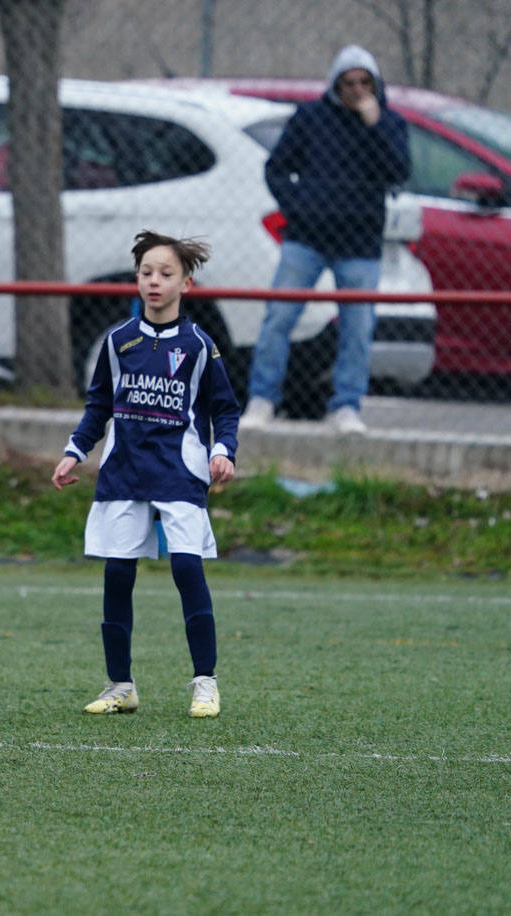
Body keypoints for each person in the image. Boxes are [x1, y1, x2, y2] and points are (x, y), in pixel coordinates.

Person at [52, 231, 239, 718]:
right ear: (136, 280)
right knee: (117, 574)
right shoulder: (118, 341)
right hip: (124, 471)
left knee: (186, 567)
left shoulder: (199, 345)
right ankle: (121, 686)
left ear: (186, 283)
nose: (155, 282)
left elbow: (225, 408)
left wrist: (224, 451)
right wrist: (74, 451)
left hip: (179, 471)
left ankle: (205, 683)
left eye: (166, 273)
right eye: (147, 273)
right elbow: (98, 405)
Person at [239, 44, 411, 436]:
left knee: (357, 328)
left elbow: (399, 171)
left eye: (364, 82)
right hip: (307, 238)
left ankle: (347, 406)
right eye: (348, 82)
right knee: (278, 319)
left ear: (375, 84)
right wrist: (300, 206)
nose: (356, 89)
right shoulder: (311, 118)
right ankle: (262, 399)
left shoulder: (389, 123)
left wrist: (376, 123)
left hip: (360, 242)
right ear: (335, 83)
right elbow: (277, 168)